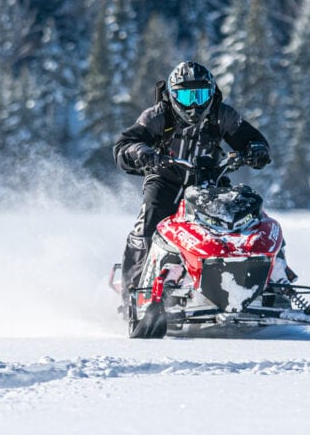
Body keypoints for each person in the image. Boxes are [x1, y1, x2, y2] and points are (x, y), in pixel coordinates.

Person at [113, 61, 274, 302]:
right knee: (147, 228)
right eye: (187, 96)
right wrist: (140, 152)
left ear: (212, 93)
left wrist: (256, 150)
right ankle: (133, 294)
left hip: (211, 181)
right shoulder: (157, 116)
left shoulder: (223, 115)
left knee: (243, 224)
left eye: (200, 95)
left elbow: (252, 139)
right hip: (165, 179)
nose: (195, 104)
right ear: (173, 95)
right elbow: (124, 145)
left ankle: (267, 284)